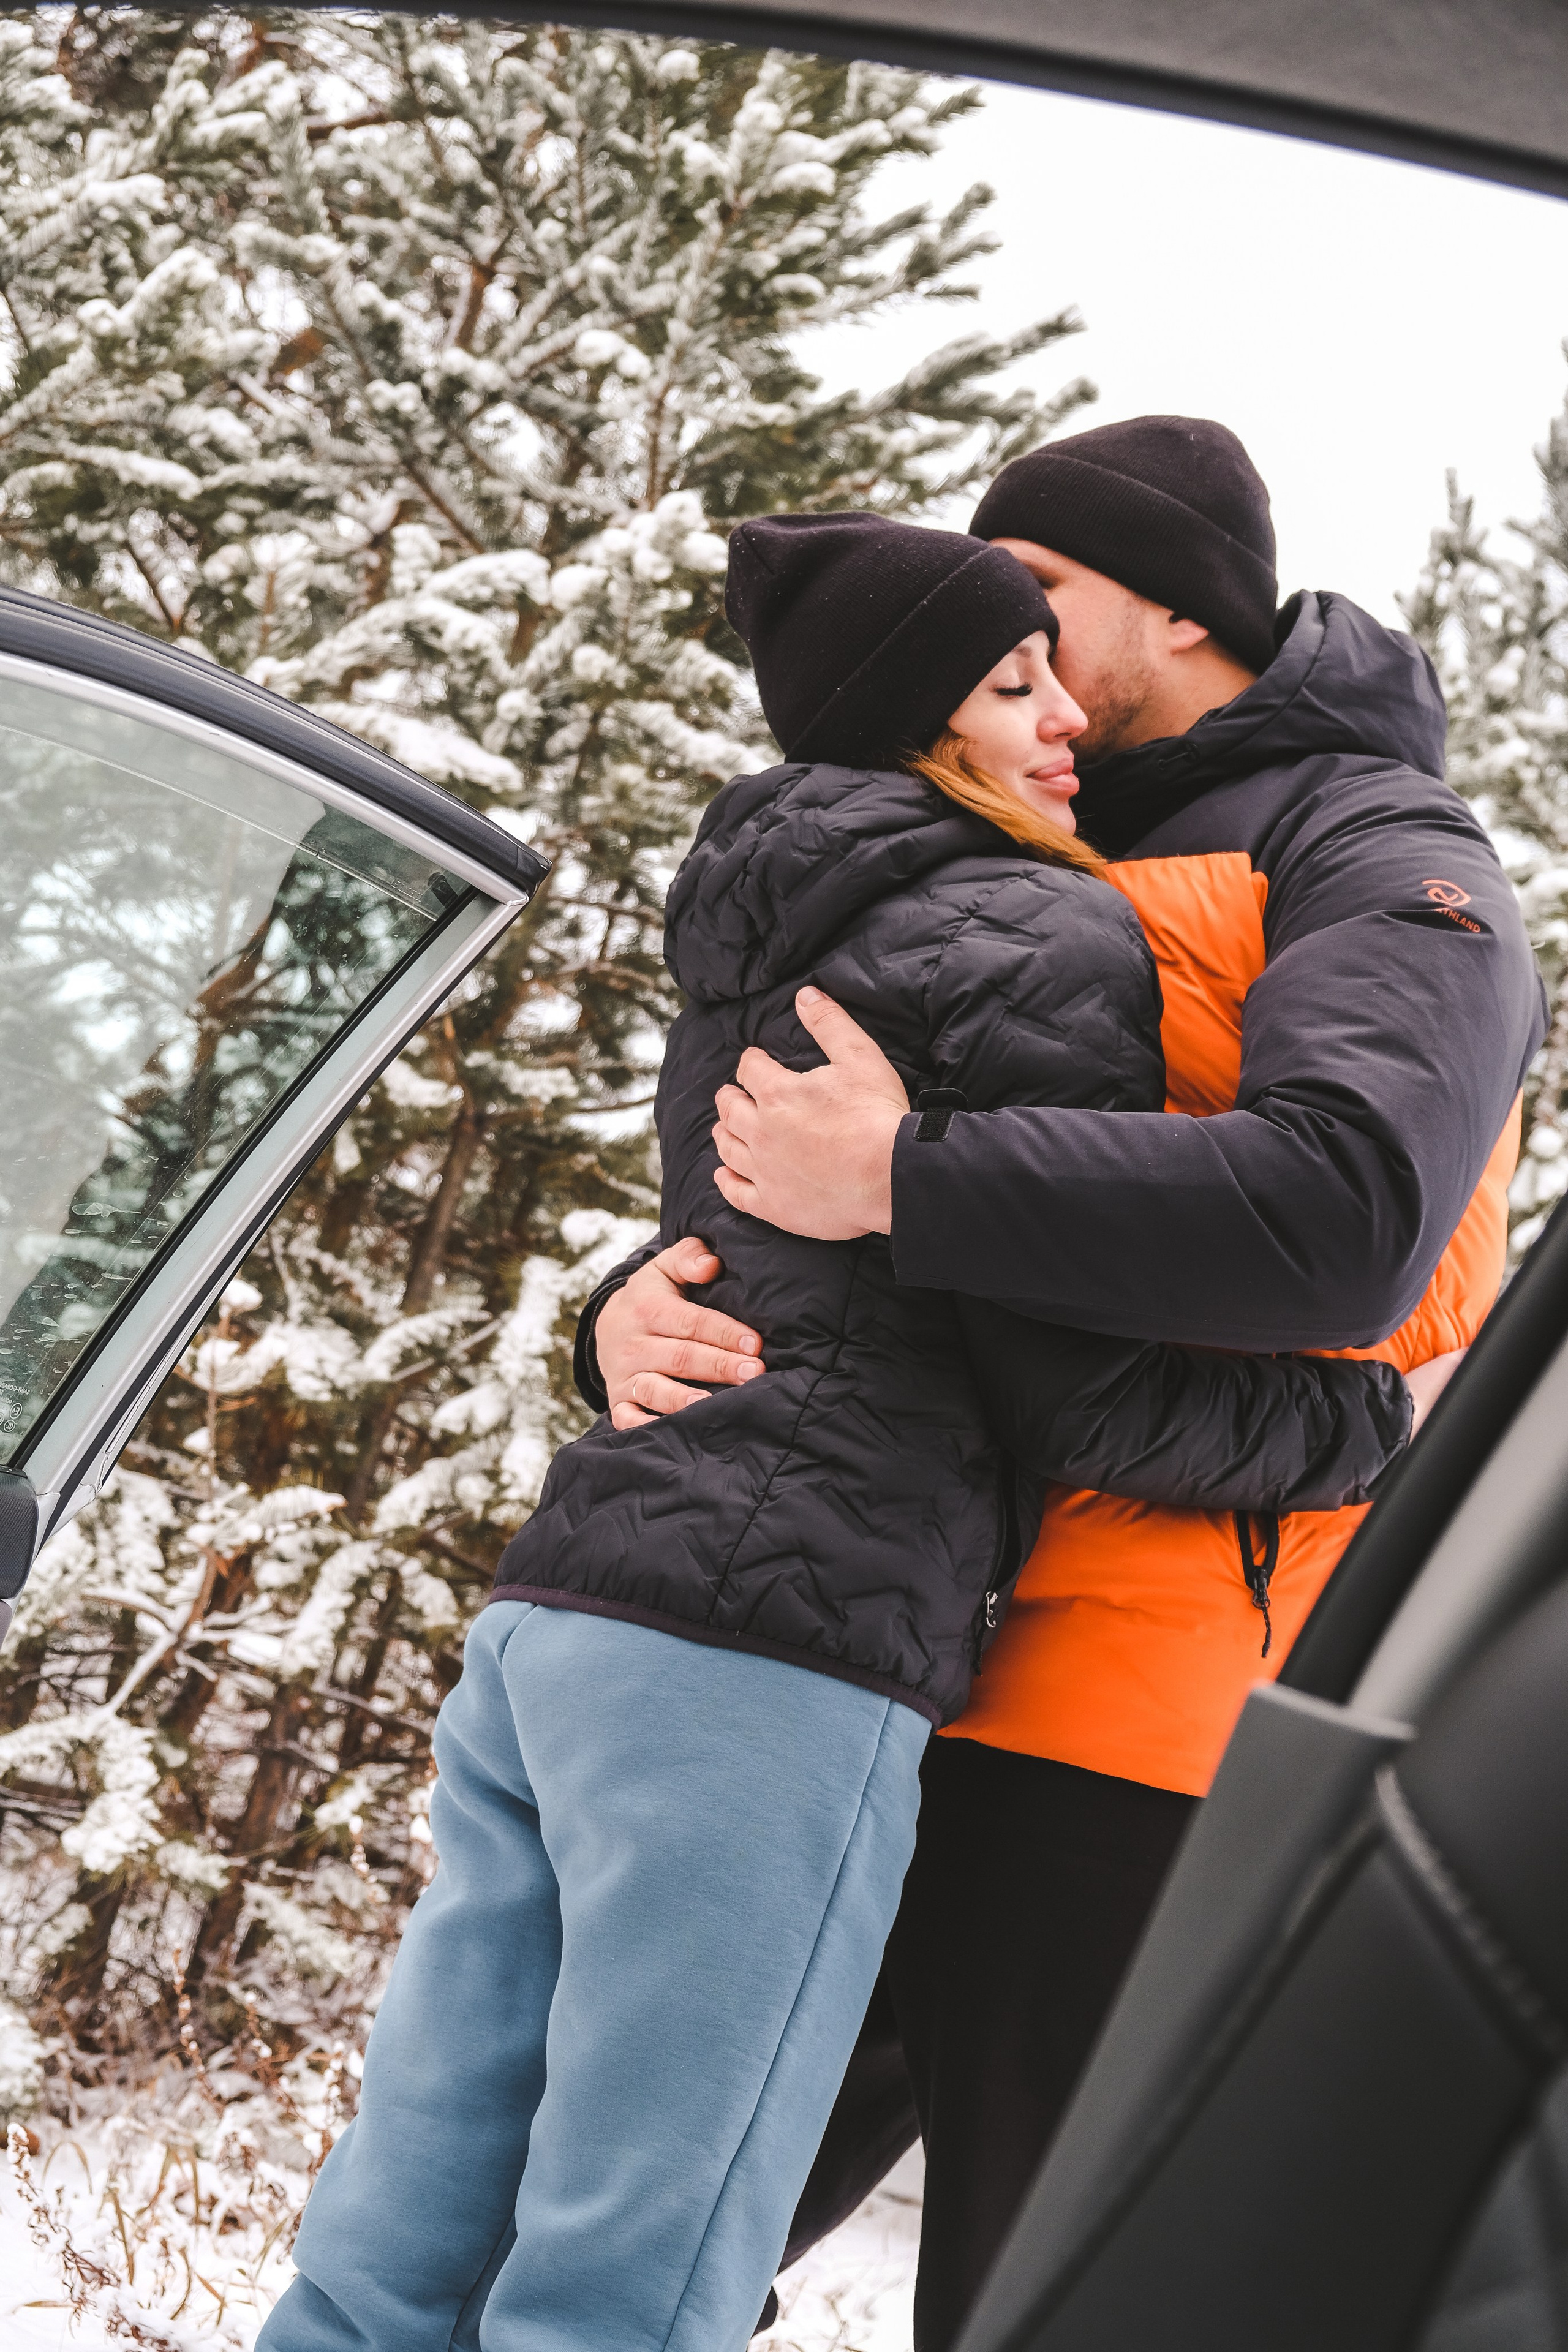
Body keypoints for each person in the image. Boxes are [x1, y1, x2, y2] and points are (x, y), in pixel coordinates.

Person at [260, 508, 1432, 2352]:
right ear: (922, 723)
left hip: (568, 1615)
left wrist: (606, 1314)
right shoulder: (1045, 927)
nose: (1062, 716)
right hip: (775, 1657)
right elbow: (1074, 1385)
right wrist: (1367, 1424)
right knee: (629, 2285)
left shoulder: (764, 900)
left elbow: (747, 1259)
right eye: (1012, 685)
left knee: (394, 2258)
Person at [577, 419, 1548, 2348]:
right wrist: (627, 1315)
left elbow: (1346, 1212)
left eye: (1037, 588)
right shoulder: (1005, 822)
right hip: (872, 1663)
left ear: (1180, 607)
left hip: (1141, 1725)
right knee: (610, 2246)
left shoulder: (1378, 854)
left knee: (1031, 2300)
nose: (996, 629)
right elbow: (801, 1167)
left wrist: (910, 1178)